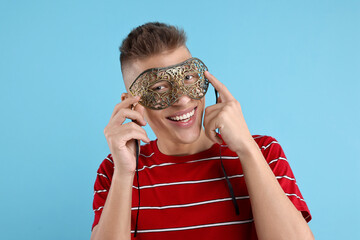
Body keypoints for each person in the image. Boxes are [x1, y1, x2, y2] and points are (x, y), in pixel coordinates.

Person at [90, 22, 314, 240]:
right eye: (159, 87)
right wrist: (124, 174)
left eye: (188, 77)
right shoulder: (114, 170)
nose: (183, 99)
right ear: (133, 105)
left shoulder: (263, 151)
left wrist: (247, 149)